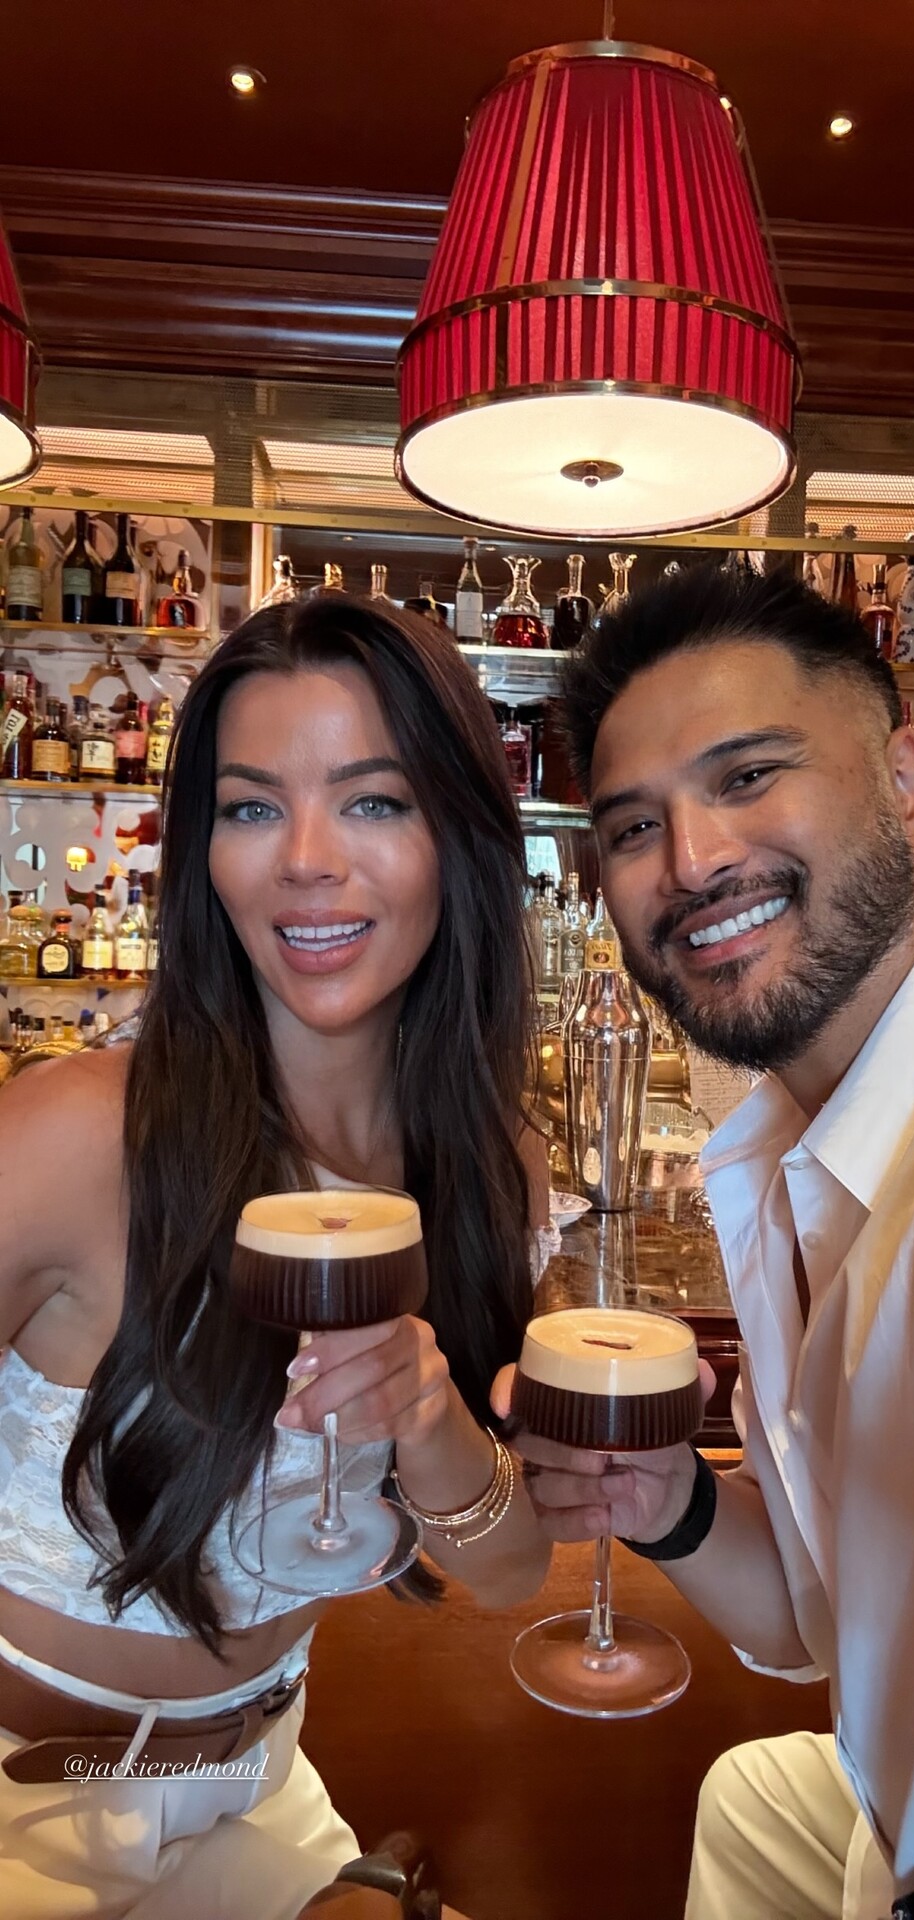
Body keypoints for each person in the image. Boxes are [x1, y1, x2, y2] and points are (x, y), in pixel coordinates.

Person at [499, 562, 914, 1920]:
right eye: (633, 826)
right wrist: (672, 1505)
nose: (692, 862)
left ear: (904, 777)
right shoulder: (788, 1151)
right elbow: (817, 1622)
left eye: (749, 775)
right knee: (754, 1803)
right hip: (903, 1822)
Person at [0, 593, 552, 1918]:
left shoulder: (493, 1168)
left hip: (261, 1785)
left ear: (459, 840)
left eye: (373, 802)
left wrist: (432, 1419)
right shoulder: (81, 1135)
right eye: (252, 808)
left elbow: (511, 1570)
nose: (305, 860)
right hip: (26, 1805)